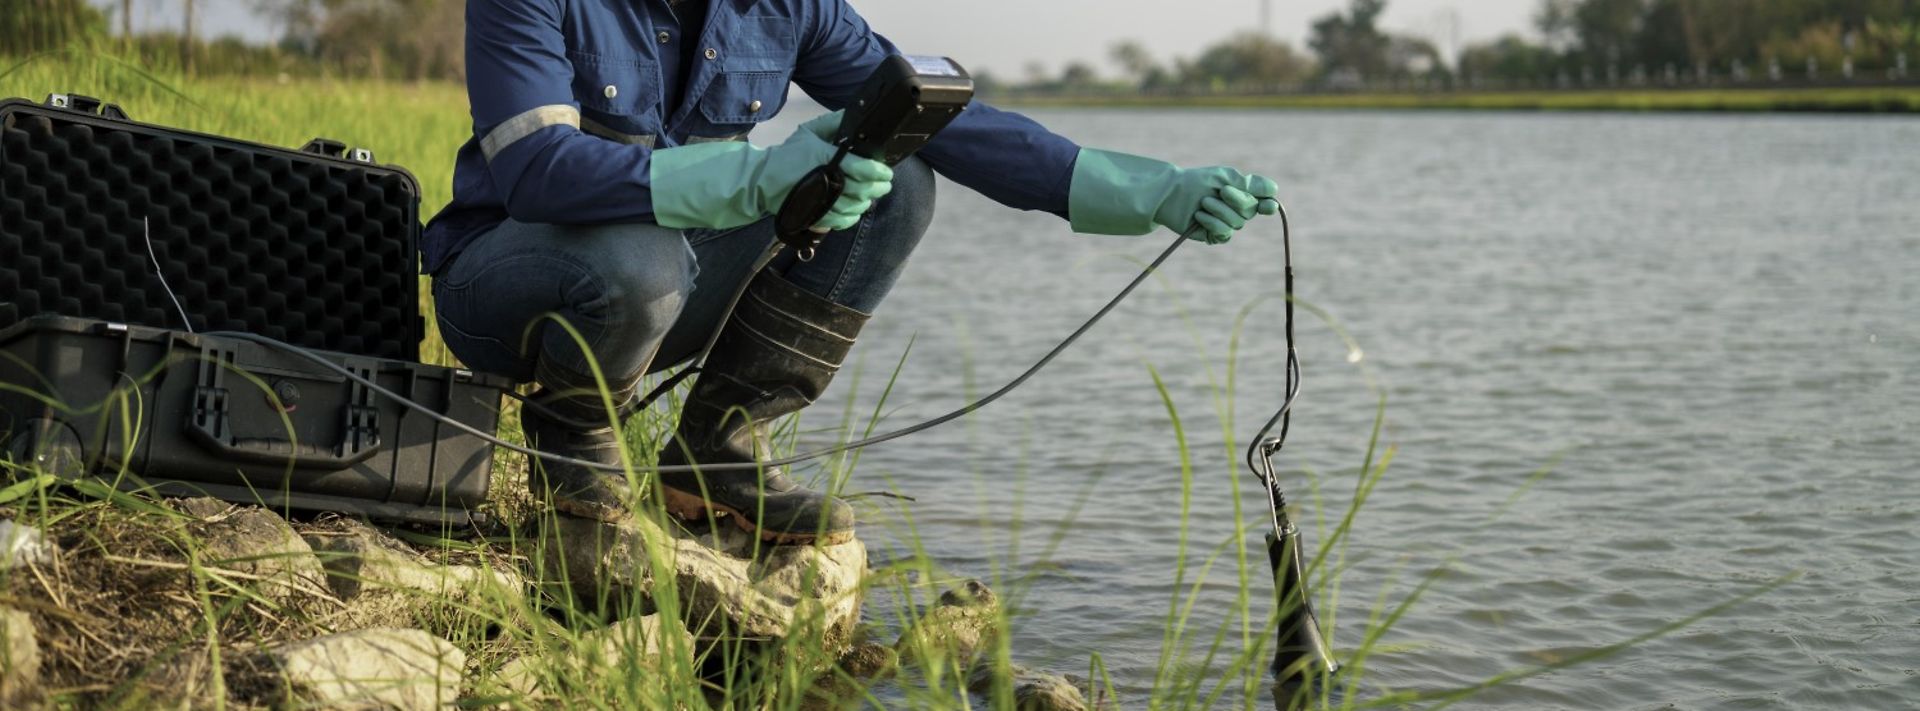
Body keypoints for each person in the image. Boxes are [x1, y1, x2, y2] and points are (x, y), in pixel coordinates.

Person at [424, 0, 1282, 546]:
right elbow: (537, 168)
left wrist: (1151, 190)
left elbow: (952, 126)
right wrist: (756, 178)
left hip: (661, 287)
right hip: (503, 286)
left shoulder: (786, 5)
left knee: (896, 178)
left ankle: (717, 450)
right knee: (640, 251)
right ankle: (572, 434)